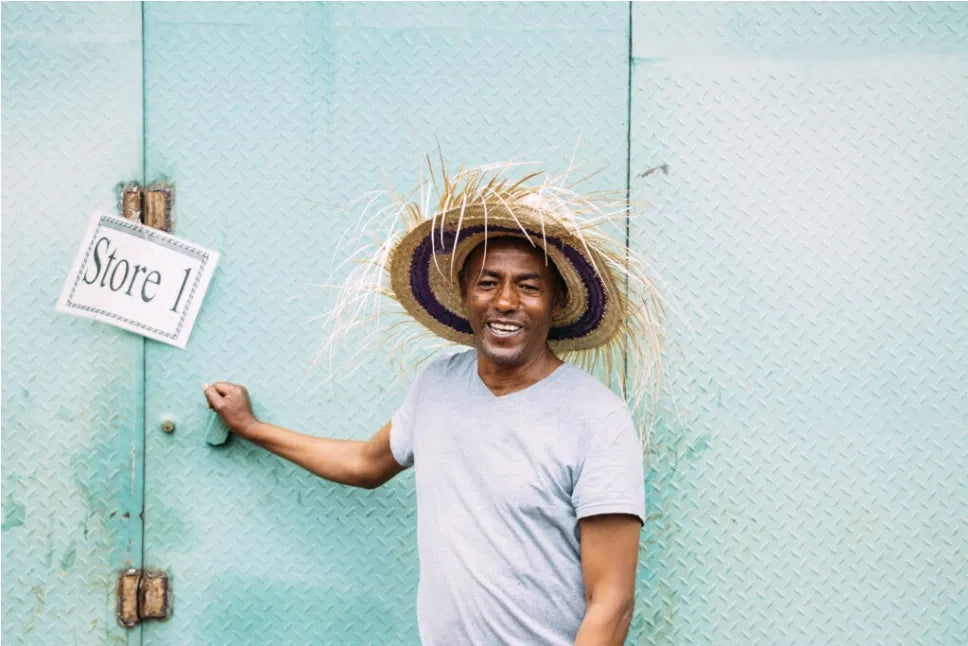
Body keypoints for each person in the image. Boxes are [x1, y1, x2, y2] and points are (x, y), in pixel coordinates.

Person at [204, 163, 664, 645]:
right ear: (465, 295)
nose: (505, 301)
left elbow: (612, 602)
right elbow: (365, 464)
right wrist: (251, 427)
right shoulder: (437, 385)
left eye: (528, 286)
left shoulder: (597, 418)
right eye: (487, 282)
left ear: (556, 303)